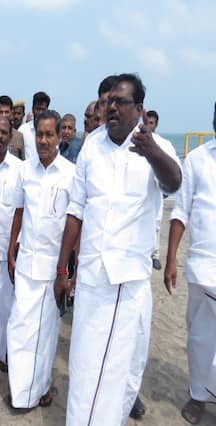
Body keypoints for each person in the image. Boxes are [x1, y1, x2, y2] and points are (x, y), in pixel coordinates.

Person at [54, 73, 181, 425]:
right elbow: (76, 210)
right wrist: (62, 269)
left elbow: (174, 183)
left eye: (120, 102)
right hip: (91, 275)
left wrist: (151, 151)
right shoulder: (92, 145)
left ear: (139, 109)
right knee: (83, 361)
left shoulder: (156, 148)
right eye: (108, 102)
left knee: (116, 369)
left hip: (128, 280)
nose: (111, 108)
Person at [6, 109, 75, 409]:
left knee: (45, 333)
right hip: (26, 262)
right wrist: (10, 250)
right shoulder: (25, 170)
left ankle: (41, 388)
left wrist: (70, 270)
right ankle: (20, 392)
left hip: (53, 267)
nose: (44, 140)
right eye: (40, 134)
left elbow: (74, 223)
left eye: (49, 134)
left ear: (59, 137)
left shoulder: (71, 174)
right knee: (19, 327)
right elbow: (19, 212)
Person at [164, 104, 216, 425]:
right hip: (203, 265)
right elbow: (180, 211)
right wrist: (171, 258)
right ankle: (198, 395)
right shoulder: (197, 159)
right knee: (200, 337)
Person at [0, 117, 22, 372]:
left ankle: (1, 353)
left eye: (4, 133)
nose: (0, 136)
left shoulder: (20, 169)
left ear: (10, 137)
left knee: (3, 306)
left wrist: (13, 249)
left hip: (6, 250)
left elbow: (22, 211)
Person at [146, 110, 164, 271]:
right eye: (147, 123)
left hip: (157, 189)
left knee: (157, 222)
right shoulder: (139, 142)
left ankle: (155, 255)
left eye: (151, 123)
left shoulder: (161, 144)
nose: (149, 126)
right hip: (145, 190)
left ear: (156, 125)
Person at [18, 91, 50, 160]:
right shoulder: (23, 130)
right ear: (32, 109)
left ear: (47, 110)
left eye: (43, 109)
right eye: (38, 109)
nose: (40, 112)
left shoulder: (52, 132)